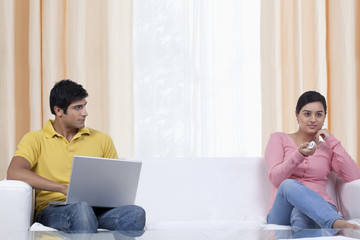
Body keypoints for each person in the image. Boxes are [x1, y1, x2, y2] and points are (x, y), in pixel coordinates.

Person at [7, 79, 146, 233]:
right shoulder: (35, 139)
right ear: (59, 111)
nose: (85, 113)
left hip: (94, 208)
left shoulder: (102, 139)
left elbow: (115, 183)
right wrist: (62, 188)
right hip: (53, 210)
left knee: (135, 213)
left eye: (84, 106)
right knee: (81, 210)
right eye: (77, 107)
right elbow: (14, 172)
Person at [265, 90, 360, 231]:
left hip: (320, 207)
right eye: (307, 114)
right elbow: (276, 179)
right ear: (297, 115)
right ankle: (336, 223)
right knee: (287, 184)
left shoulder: (327, 148)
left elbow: (355, 176)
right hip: (281, 213)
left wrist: (331, 140)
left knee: (300, 214)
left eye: (319, 114)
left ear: (324, 117)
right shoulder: (278, 138)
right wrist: (299, 155)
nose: (313, 119)